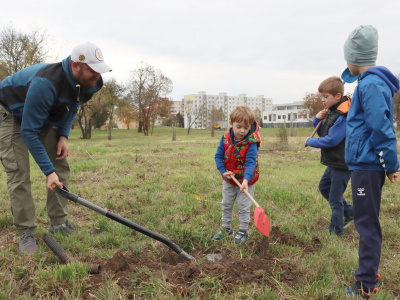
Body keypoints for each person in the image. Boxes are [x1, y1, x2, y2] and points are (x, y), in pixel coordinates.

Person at [0, 42, 112, 254]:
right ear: (75, 65)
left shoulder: (91, 83)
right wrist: (47, 172)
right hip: (11, 113)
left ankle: (59, 224)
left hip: (42, 115)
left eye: (99, 69)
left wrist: (63, 135)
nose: (97, 74)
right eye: (92, 69)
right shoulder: (46, 83)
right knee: (19, 172)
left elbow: (74, 106)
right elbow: (28, 132)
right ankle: (26, 231)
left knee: (61, 164)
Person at [341, 25, 399, 298]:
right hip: (362, 164)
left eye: (347, 58)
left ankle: (365, 284)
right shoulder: (367, 83)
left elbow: (381, 127)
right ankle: (368, 273)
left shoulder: (372, 84)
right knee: (367, 220)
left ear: (356, 57)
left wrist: (391, 163)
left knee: (366, 223)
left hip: (367, 165)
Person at [305, 77, 354, 237]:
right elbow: (324, 133)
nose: (322, 100)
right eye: (321, 97)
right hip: (334, 162)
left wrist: (311, 141)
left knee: (335, 199)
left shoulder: (342, 116)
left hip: (342, 164)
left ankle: (335, 232)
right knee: (324, 187)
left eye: (326, 96)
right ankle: (352, 212)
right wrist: (316, 120)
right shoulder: (333, 112)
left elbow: (332, 140)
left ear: (338, 96)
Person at [213, 105, 261, 244]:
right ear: (231, 123)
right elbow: (218, 156)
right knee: (226, 203)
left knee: (243, 206)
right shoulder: (225, 138)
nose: (242, 131)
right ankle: (226, 228)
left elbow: (251, 162)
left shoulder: (251, 141)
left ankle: (243, 231)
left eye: (246, 128)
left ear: (250, 126)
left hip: (247, 180)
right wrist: (223, 172)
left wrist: (246, 180)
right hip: (229, 179)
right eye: (238, 126)